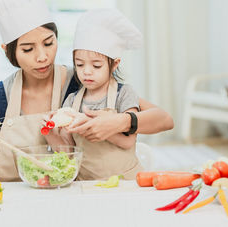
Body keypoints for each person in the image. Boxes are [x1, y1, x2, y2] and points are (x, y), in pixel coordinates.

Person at [0, 0, 174, 182]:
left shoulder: (85, 79)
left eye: (49, 43)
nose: (42, 56)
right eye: (28, 49)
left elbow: (164, 120)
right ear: (8, 51)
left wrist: (120, 122)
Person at [44, 9, 169, 180]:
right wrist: (52, 136)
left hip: (124, 182)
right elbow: (69, 153)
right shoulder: (72, 101)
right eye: (79, 65)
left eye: (96, 66)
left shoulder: (124, 94)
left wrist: (100, 128)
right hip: (86, 184)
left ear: (115, 64)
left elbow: (128, 141)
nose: (86, 72)